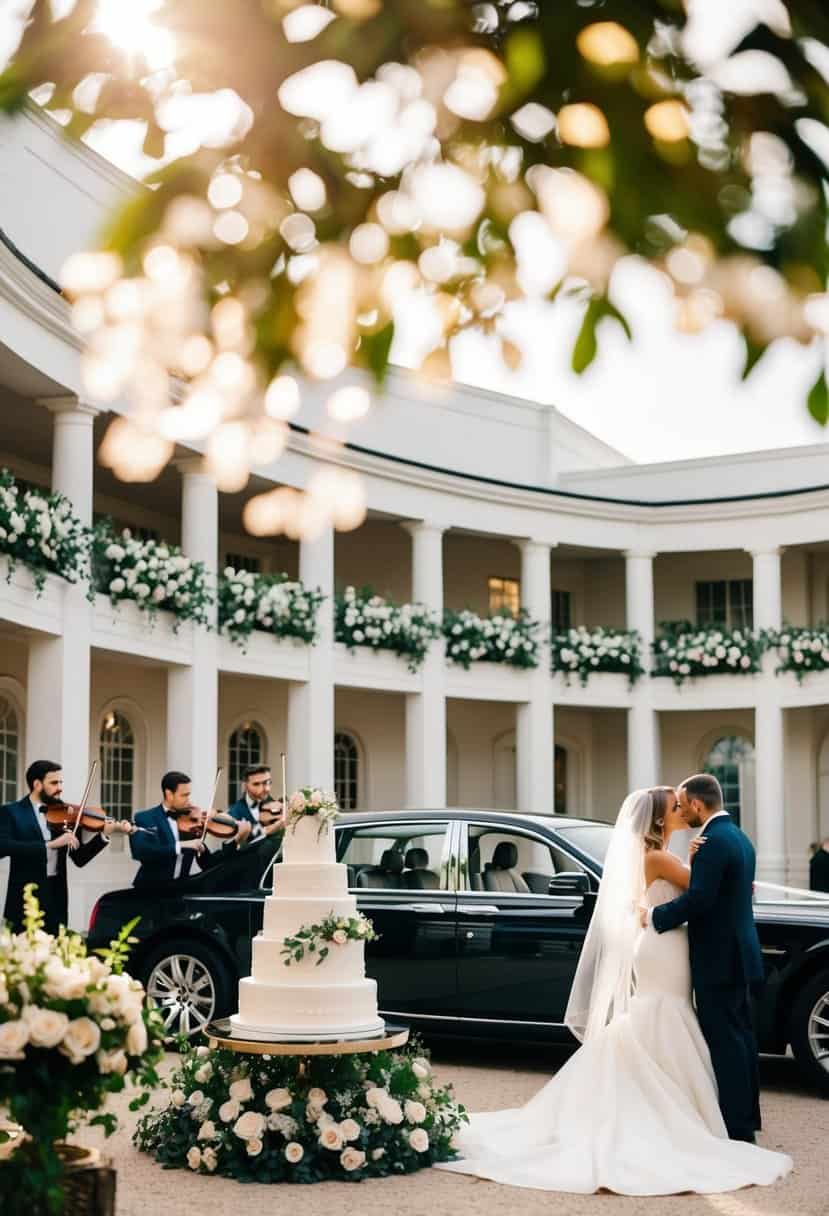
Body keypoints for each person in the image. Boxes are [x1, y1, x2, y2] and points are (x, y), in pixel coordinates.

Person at [437, 785, 792, 1194]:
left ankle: (689, 1108)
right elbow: (706, 892)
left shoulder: (667, 853)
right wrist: (705, 868)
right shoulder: (659, 856)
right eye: (674, 807)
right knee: (665, 1013)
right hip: (662, 944)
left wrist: (701, 865)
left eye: (681, 804)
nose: (681, 810)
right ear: (660, 819)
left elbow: (705, 888)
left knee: (666, 1017)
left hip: (666, 942)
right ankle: (687, 1114)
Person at [0, 759, 132, 934]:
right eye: (54, 783)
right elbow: (4, 847)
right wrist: (50, 845)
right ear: (37, 784)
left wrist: (104, 835)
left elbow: (80, 858)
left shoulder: (65, 814)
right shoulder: (11, 812)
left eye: (61, 782)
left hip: (56, 897)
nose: (60, 787)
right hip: (24, 898)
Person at [130, 771, 223, 887]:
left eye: (189, 795)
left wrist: (234, 841)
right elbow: (142, 851)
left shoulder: (190, 822)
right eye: (184, 795)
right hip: (150, 891)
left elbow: (208, 864)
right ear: (169, 794)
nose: (188, 800)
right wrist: (180, 845)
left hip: (180, 891)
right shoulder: (145, 818)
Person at [224, 764, 285, 849]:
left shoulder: (278, 807)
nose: (266, 789)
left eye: (268, 783)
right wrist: (266, 830)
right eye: (257, 784)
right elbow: (233, 846)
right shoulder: (234, 812)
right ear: (245, 786)